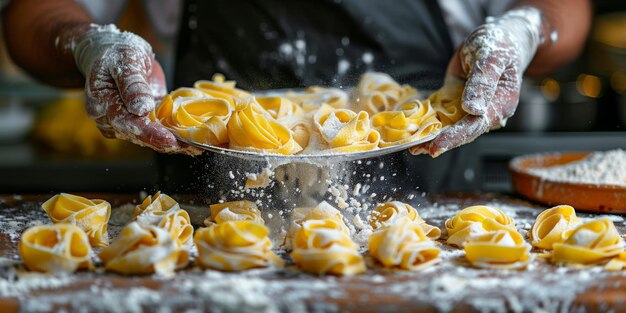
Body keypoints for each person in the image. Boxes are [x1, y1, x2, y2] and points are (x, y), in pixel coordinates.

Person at [3, 0, 591, 194]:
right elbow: (29, 18)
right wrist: (86, 43)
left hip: (429, 227)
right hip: (203, 234)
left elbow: (567, 14)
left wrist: (522, 31)